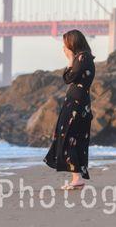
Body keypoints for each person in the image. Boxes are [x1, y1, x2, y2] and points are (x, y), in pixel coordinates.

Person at [43, 29, 96, 190]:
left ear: (73, 43)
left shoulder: (82, 57)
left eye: (65, 45)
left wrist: (70, 59)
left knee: (69, 137)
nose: (63, 48)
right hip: (76, 103)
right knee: (71, 137)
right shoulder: (84, 57)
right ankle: (76, 177)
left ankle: (77, 178)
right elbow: (69, 77)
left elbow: (68, 78)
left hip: (76, 105)